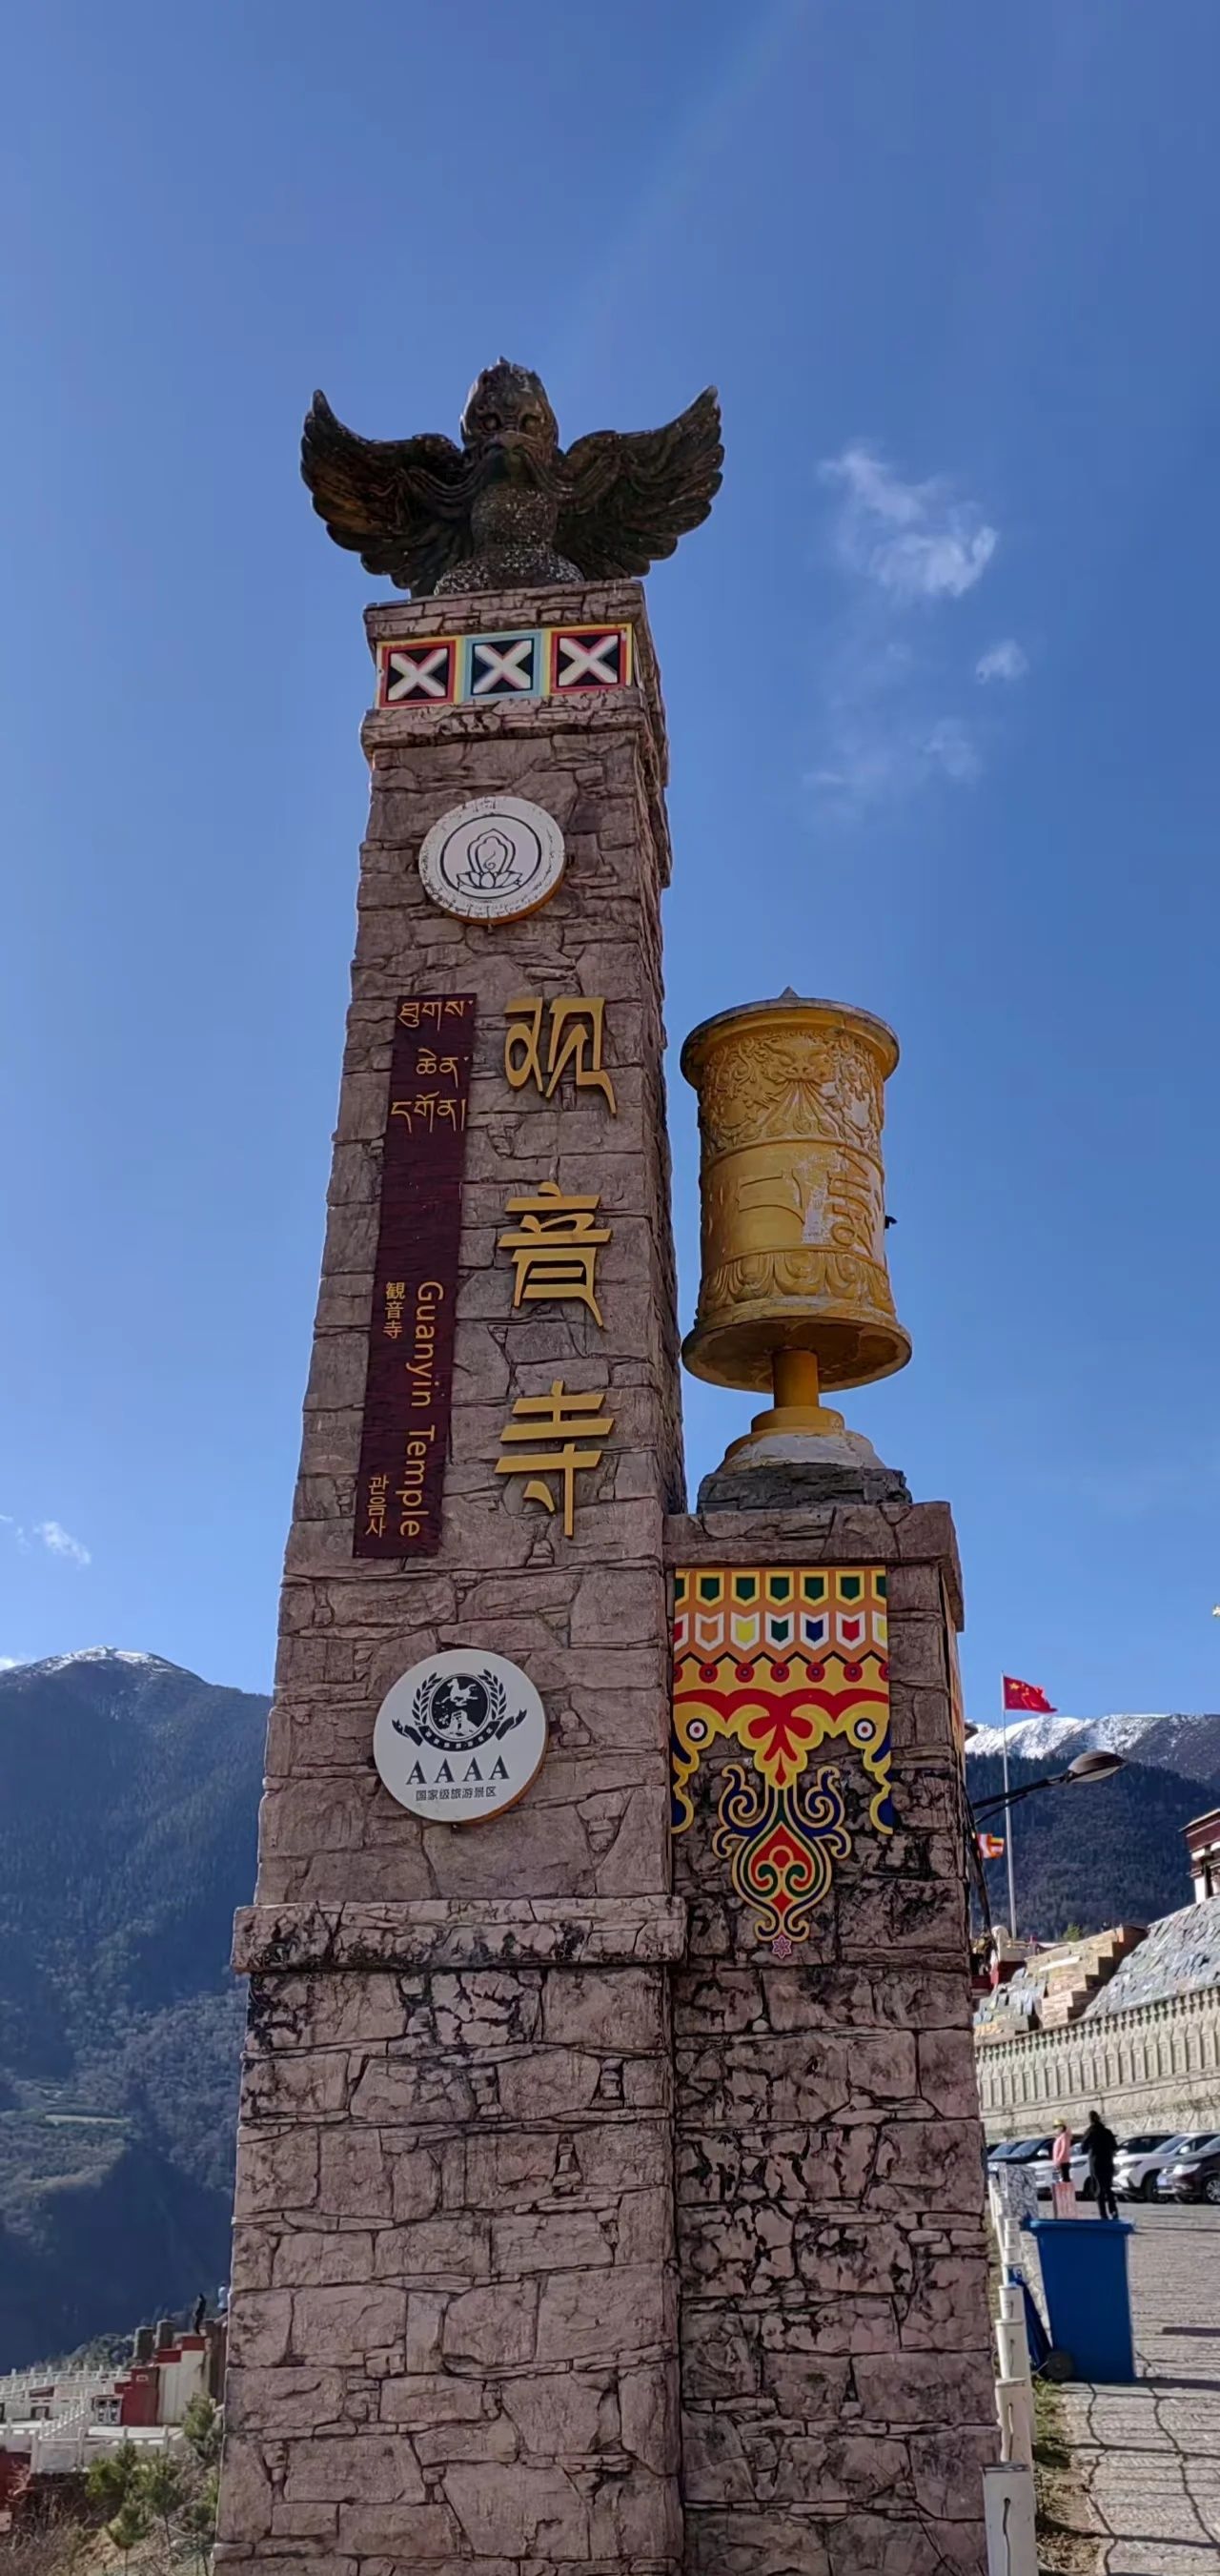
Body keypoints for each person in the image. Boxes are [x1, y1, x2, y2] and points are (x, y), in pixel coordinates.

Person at [1084, 2108, 1119, 2219]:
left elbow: (1083, 2147)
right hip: (1107, 2162)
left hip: (1096, 2163)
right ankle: (1113, 2211)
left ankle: (1103, 2214)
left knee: (1098, 2188)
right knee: (1108, 2187)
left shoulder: (1090, 2132)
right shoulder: (1107, 2132)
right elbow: (1115, 2146)